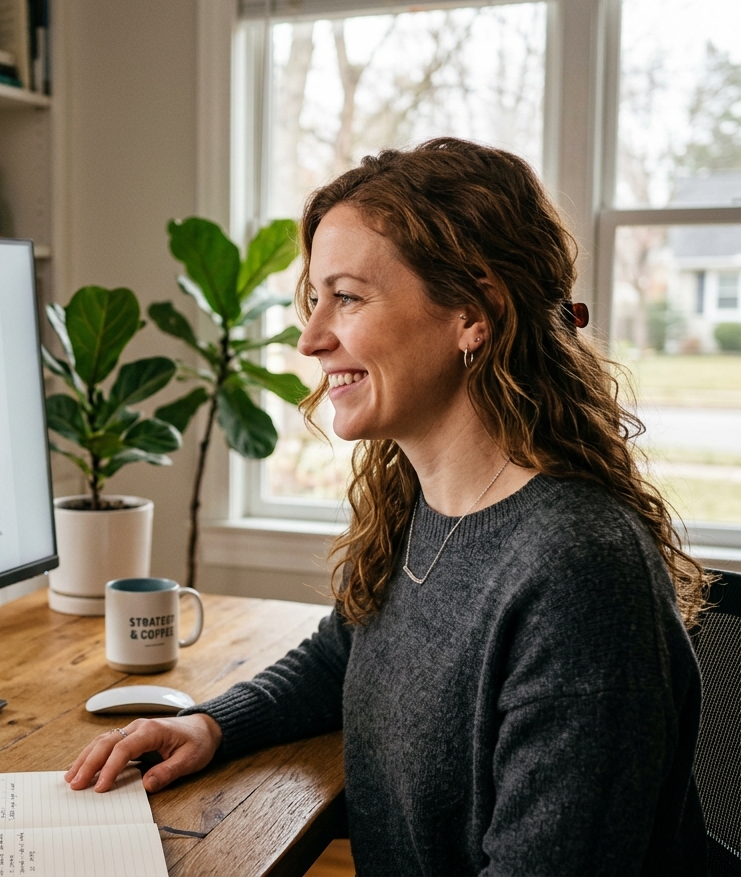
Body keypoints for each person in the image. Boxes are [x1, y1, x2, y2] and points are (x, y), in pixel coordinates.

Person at [64, 138, 709, 875]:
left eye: (348, 297)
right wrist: (212, 724)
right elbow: (345, 651)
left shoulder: (575, 568)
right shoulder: (419, 502)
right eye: (314, 299)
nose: (310, 338)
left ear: (475, 311)